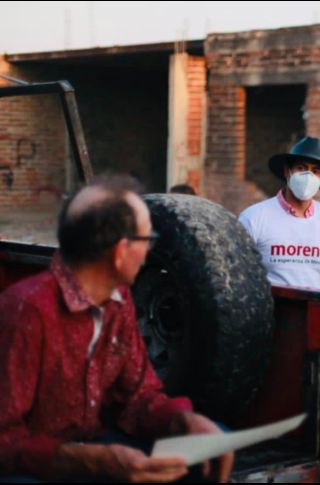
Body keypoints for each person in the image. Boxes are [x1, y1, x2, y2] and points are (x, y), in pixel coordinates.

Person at [0, 176, 233, 482]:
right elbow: (6, 442)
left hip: (97, 446)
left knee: (211, 444)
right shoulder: (26, 310)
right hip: (38, 465)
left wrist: (183, 421)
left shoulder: (118, 300)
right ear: (121, 251)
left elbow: (139, 396)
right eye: (147, 240)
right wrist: (92, 461)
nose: (148, 252)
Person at [238, 136, 320, 294]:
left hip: (314, 312)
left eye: (315, 171)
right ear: (287, 171)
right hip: (270, 311)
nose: (308, 176)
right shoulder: (254, 217)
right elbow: (239, 274)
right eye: (301, 168)